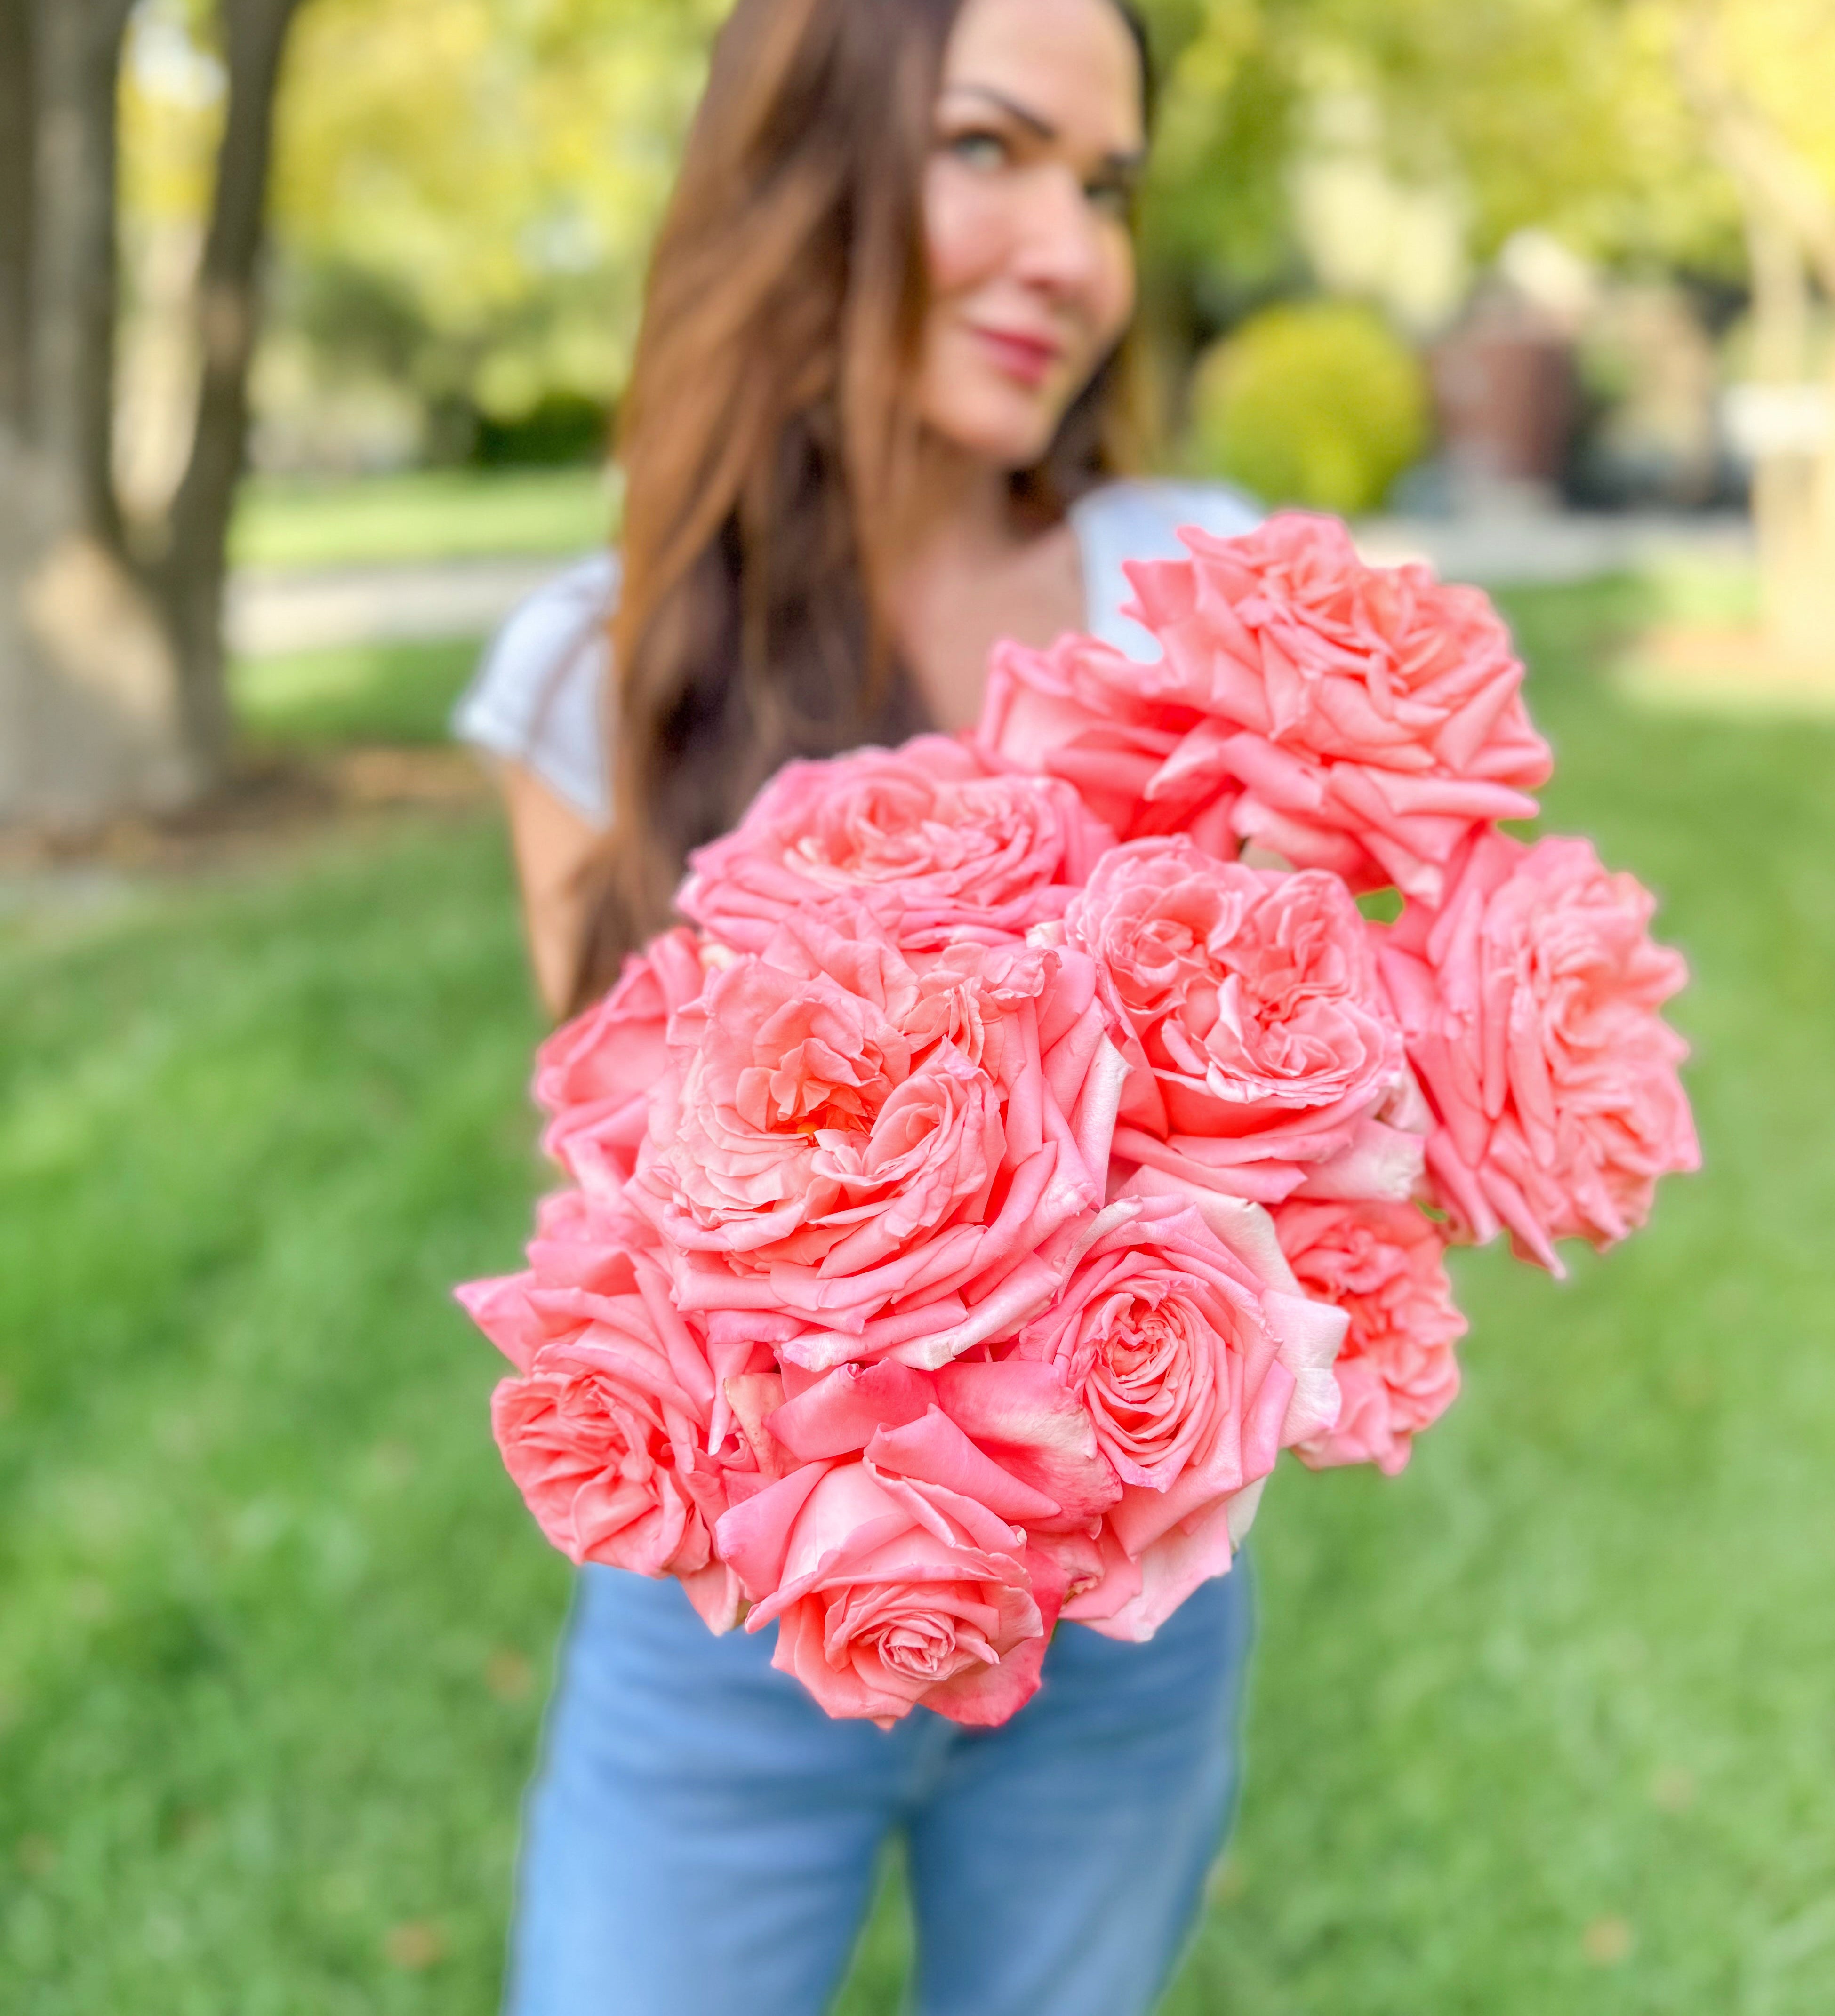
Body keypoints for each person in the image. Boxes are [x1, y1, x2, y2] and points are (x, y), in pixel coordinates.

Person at [454, 1, 1262, 2010]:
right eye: (988, 149)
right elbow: (625, 1208)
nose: (1071, 257)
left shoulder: (1203, 595)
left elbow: (1313, 1118)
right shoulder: (593, 672)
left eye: (1105, 186)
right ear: (811, 165)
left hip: (1123, 1632)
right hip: (720, 1641)